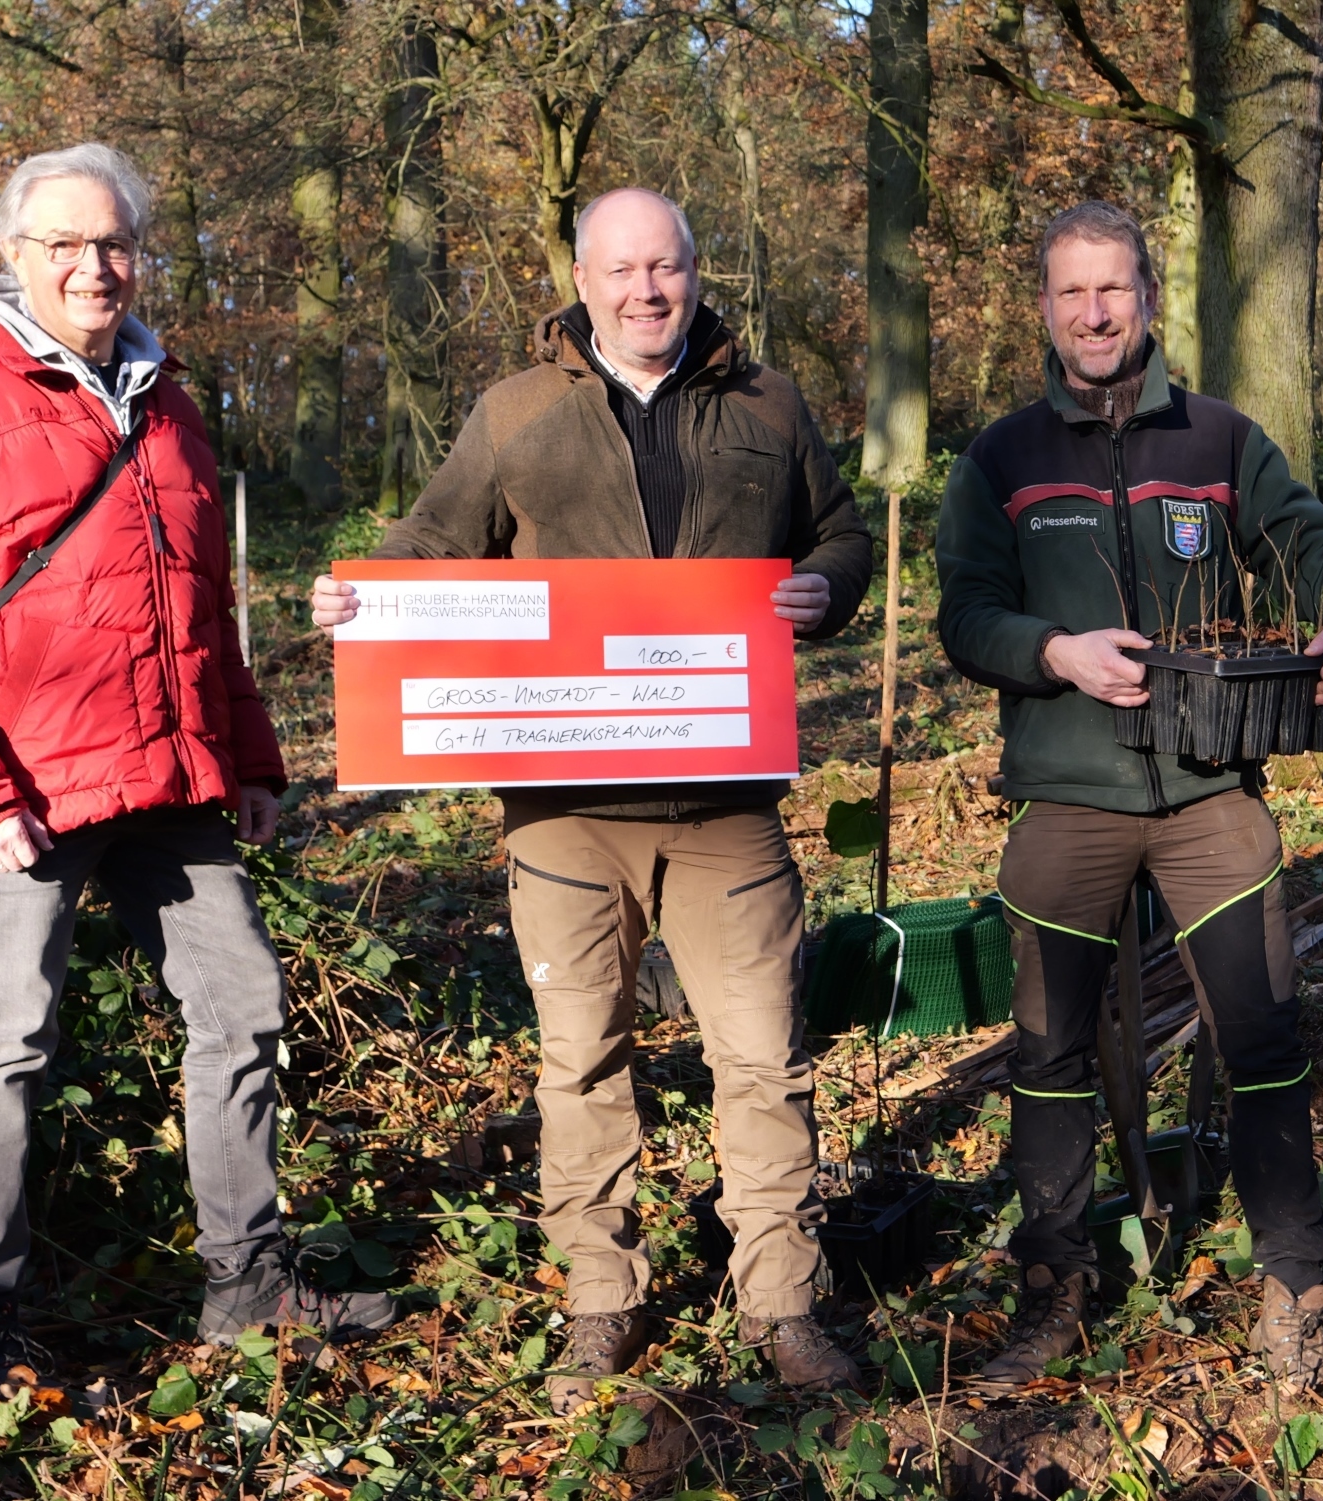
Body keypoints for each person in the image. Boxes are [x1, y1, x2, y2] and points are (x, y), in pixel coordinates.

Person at [0, 143, 396, 1391]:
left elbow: (206, 607)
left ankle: (249, 1289)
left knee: (242, 1012)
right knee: (3, 1044)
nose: (94, 267)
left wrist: (247, 754)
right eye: (64, 246)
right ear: (13, 257)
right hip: (18, 794)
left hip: (171, 779)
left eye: (115, 244)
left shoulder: (170, 405)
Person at [311, 187, 872, 1409]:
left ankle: (782, 1298)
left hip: (724, 797)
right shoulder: (516, 414)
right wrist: (361, 597)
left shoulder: (767, 402)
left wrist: (824, 592)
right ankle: (600, 1297)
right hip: (562, 807)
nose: (644, 291)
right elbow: (432, 541)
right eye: (620, 270)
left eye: (664, 267)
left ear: (691, 267)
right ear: (581, 274)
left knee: (763, 1055)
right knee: (579, 1059)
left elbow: (839, 536)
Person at [936, 201, 1323, 1393]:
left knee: (1260, 1034)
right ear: (1041, 309)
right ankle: (1053, 1289)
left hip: (1208, 792)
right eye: (1068, 294)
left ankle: (1294, 1283)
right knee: (1044, 1052)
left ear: (1147, 295)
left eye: (1112, 290)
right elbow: (964, 616)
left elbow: (1310, 540)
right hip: (1067, 793)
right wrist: (1054, 653)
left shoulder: (1219, 439)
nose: (1092, 314)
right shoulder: (999, 459)